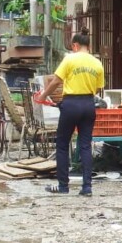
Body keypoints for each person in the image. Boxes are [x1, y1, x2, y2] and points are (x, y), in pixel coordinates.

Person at [38, 28, 105, 196]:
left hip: (71, 104)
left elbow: (55, 82)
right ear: (88, 46)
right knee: (85, 145)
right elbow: (98, 87)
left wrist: (43, 96)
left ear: (75, 45)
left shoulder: (69, 59)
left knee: (62, 144)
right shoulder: (97, 63)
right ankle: (87, 187)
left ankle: (63, 186)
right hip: (89, 104)